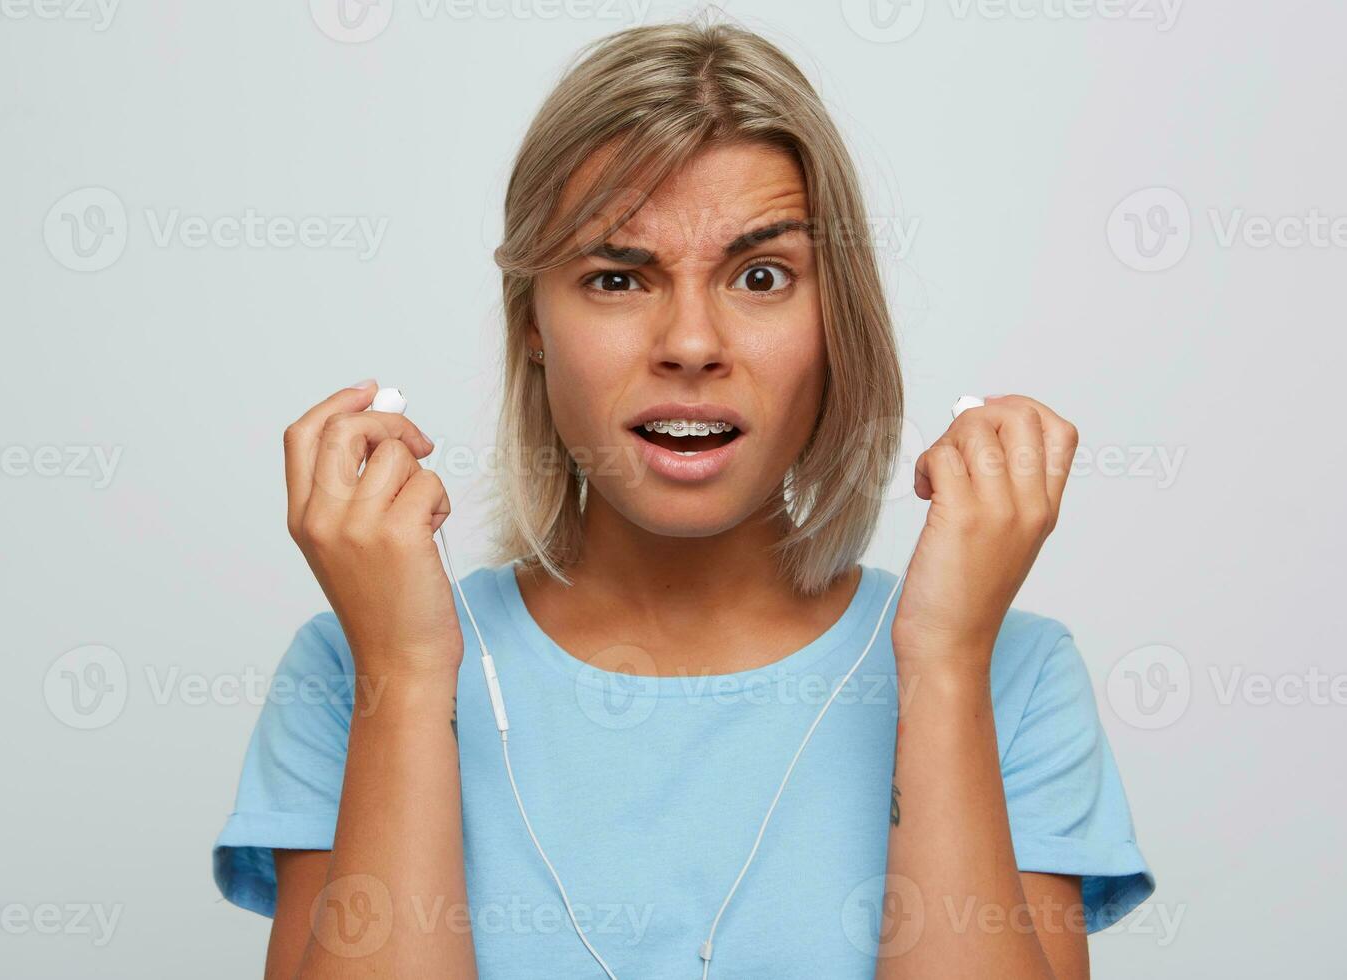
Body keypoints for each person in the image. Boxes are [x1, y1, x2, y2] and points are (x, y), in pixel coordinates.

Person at [213, 18, 1154, 979]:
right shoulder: (353, 666)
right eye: (618, 277)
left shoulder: (1014, 675)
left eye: (760, 275)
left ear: (839, 321)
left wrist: (946, 663)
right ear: (533, 325)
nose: (693, 343)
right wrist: (408, 675)